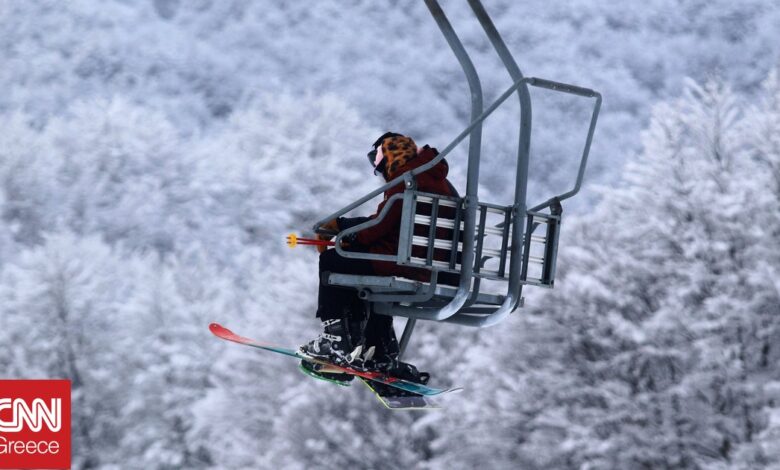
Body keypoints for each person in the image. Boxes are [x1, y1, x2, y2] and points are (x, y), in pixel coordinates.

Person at [298, 132, 460, 379]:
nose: (380, 174)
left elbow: (379, 227)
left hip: (405, 264)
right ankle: (378, 349)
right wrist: (347, 230)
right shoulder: (439, 182)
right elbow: (390, 224)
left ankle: (337, 341)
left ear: (389, 158)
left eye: (379, 166)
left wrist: (345, 232)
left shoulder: (407, 181)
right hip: (433, 266)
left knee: (333, 261)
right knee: (361, 272)